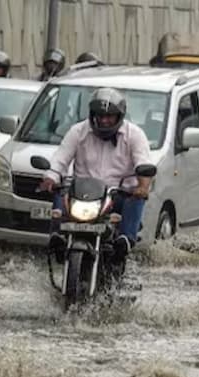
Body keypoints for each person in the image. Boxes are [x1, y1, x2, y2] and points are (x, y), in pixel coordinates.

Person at [39, 87, 152, 261]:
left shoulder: (135, 135)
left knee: (136, 198)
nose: (105, 121)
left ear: (119, 116)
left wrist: (143, 186)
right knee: (61, 191)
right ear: (93, 115)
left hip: (117, 196)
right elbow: (60, 159)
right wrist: (50, 178)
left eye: (109, 116)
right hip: (82, 195)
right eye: (100, 116)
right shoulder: (78, 131)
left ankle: (126, 240)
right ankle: (58, 237)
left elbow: (143, 163)